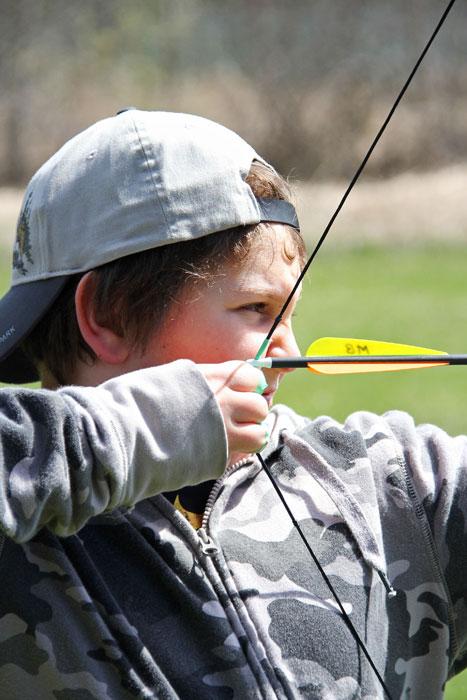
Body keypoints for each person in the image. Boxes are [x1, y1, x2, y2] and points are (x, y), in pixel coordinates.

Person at [0, 109, 465, 699]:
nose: (289, 352)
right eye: (256, 310)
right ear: (108, 316)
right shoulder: (24, 545)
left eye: (288, 314)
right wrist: (140, 432)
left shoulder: (385, 489)